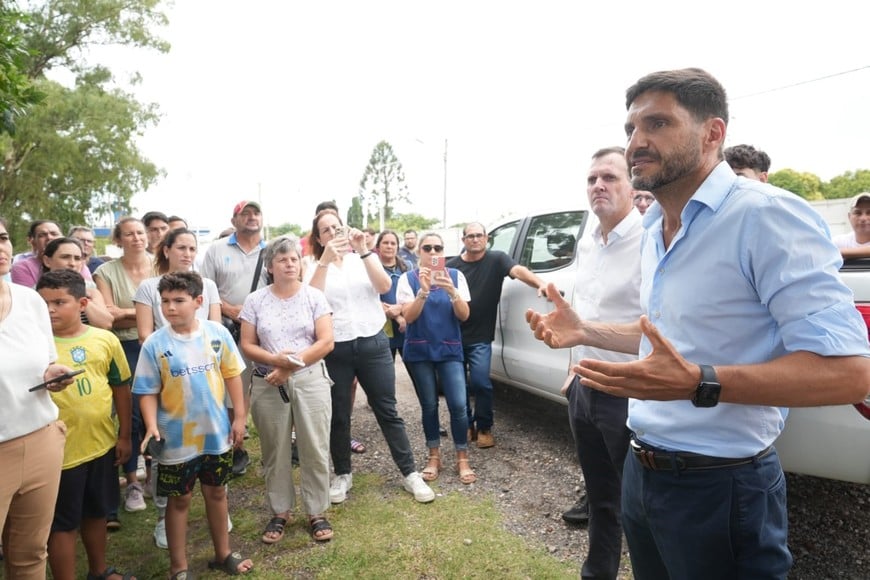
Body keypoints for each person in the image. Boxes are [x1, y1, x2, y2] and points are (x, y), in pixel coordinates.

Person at [526, 67, 870, 579]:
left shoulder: (765, 215)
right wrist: (586, 330)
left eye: (658, 124)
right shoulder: (653, 226)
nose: (637, 142)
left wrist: (699, 383)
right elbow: (673, 341)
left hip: (722, 487)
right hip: (643, 475)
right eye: (630, 130)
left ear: (713, 133)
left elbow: (851, 372)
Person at [305, 209, 435, 504]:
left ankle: (409, 473)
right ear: (318, 237)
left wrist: (364, 249)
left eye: (337, 228)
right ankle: (342, 473)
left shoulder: (361, 259)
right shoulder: (313, 265)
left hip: (373, 341)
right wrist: (324, 260)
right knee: (339, 413)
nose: (334, 234)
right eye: (326, 230)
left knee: (387, 409)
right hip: (335, 345)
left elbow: (384, 287)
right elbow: (310, 299)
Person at [134, 271, 253, 577]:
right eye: (164, 301)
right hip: (176, 440)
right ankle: (179, 567)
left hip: (216, 435)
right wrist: (150, 424)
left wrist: (239, 416)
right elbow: (146, 390)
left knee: (217, 493)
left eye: (178, 300)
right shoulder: (155, 344)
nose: (170, 308)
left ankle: (223, 553)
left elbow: (231, 375)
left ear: (199, 302)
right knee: (180, 500)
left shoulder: (218, 334)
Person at [560, 146, 643, 579]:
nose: (598, 186)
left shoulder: (652, 241)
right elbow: (582, 315)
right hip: (584, 388)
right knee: (600, 497)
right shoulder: (588, 243)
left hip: (628, 393)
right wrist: (571, 371)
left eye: (610, 177)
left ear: (632, 185)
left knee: (641, 506)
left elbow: (657, 333)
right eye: (592, 179)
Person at [36, 270, 136, 580]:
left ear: (82, 303)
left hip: (101, 445)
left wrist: (124, 436)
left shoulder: (104, 339)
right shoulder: (33, 345)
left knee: (96, 512)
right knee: (63, 523)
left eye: (58, 302)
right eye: (43, 303)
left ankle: (99, 571)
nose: (50, 309)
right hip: (59, 454)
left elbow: (120, 387)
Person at [239, 236, 335, 544]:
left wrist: (288, 367)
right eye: (282, 259)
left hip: (310, 380)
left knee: (314, 446)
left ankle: (316, 510)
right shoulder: (255, 300)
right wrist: (274, 361)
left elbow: (326, 342)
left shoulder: (314, 297)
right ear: (270, 266)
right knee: (274, 449)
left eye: (294, 258)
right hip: (268, 384)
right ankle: (280, 511)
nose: (289, 264)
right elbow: (247, 344)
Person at [132, 227, 222, 549]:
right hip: (166, 374)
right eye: (181, 247)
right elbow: (145, 334)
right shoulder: (148, 287)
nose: (187, 253)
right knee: (165, 449)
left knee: (212, 443)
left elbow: (215, 328)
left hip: (205, 377)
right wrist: (174, 355)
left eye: (192, 248)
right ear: (166, 249)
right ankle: (162, 516)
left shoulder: (207, 285)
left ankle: (216, 507)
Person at [0, 216, 77, 578]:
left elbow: (46, 362)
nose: (0, 246)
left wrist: (53, 375)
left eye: (2, 237)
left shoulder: (30, 300)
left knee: (31, 552)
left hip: (41, 437)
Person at [447, 222, 546, 448]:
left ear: (486, 239)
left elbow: (518, 271)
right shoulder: (452, 267)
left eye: (479, 235)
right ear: (463, 241)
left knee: (481, 383)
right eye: (470, 236)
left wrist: (540, 283)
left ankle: (484, 426)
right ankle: (466, 425)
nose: (475, 239)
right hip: (454, 336)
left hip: (481, 337)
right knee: (458, 386)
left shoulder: (497, 259)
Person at [397, 233, 475, 484]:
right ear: (419, 251)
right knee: (429, 404)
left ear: (443, 252)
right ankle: (434, 456)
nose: (432, 252)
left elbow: (464, 316)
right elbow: (408, 317)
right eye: (427, 248)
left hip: (449, 349)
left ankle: (462, 457)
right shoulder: (407, 279)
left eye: (438, 248)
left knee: (459, 404)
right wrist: (423, 291)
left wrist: (452, 291)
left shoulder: (456, 277)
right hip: (420, 350)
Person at [200, 200, 268, 477]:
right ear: (234, 219)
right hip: (230, 330)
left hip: (265, 332)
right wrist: (229, 309)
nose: (251, 218)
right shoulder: (216, 249)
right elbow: (204, 290)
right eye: (245, 213)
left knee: (267, 390)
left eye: (256, 213)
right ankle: (235, 447)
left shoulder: (271, 250)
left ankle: (273, 448)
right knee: (232, 388)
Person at [94, 217, 153, 520]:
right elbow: (107, 317)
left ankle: (156, 473)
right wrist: (146, 312)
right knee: (129, 412)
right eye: (128, 234)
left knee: (158, 409)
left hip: (156, 343)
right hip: (122, 347)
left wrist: (127, 312)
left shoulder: (159, 265)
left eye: (140, 233)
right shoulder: (105, 272)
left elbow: (169, 312)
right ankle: (132, 482)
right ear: (118, 240)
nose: (136, 238)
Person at [42, 237, 113, 330]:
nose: (72, 263)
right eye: (65, 257)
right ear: (47, 261)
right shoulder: (34, 292)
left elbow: (105, 324)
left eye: (77, 258)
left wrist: (78, 292)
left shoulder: (90, 290)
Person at [11, 219, 93, 286]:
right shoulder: (22, 267)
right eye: (42, 235)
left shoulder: (78, 265)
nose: (49, 237)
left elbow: (90, 293)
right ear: (33, 242)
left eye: (54, 234)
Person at [833, 192, 870, 259]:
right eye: (858, 213)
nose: (863, 218)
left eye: (869, 213)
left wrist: (834, 252)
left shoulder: (835, 248)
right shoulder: (838, 242)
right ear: (849, 216)